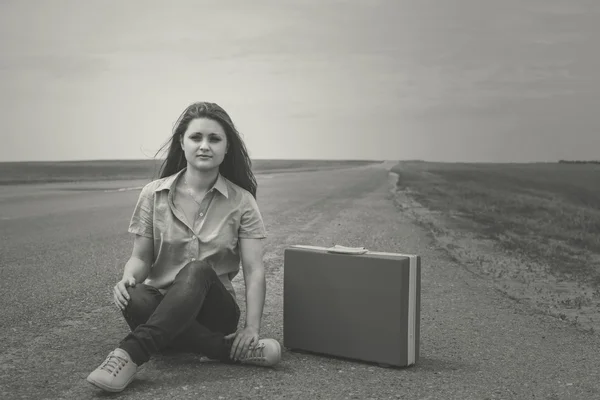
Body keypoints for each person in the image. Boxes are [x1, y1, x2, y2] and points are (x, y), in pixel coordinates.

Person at [86, 101, 281, 393]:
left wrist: (252, 329)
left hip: (216, 312)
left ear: (227, 148)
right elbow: (140, 257)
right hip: (161, 305)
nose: (204, 146)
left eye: (214, 139)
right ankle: (223, 350)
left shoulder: (242, 202)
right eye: (196, 137)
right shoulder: (153, 194)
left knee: (198, 270)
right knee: (134, 295)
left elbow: (254, 272)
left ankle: (130, 353)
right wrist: (129, 276)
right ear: (182, 142)